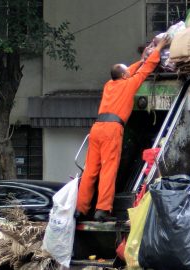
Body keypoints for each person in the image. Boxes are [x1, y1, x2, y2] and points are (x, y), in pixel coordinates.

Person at [76, 36, 170, 221]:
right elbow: (147, 68)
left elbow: (132, 69)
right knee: (108, 169)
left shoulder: (109, 85)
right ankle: (102, 210)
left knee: (90, 171)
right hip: (112, 129)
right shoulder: (129, 84)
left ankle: (81, 209)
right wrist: (159, 47)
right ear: (125, 75)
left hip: (96, 129)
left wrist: (140, 60)